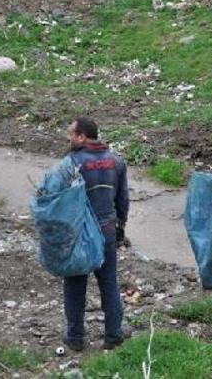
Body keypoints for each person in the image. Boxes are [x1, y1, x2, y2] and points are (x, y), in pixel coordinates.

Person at [63, 117, 129, 351]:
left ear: (82, 136)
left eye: (71, 133)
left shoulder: (70, 163)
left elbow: (60, 204)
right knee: (109, 282)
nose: (68, 137)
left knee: (74, 284)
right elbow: (122, 202)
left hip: (80, 233)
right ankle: (113, 336)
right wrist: (121, 229)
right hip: (107, 230)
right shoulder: (116, 161)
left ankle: (75, 338)